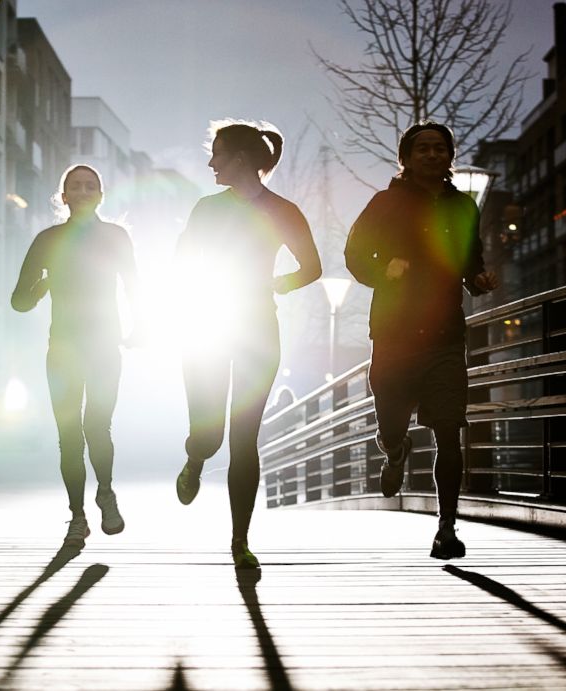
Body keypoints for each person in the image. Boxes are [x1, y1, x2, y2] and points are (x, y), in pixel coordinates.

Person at [345, 121, 498, 560]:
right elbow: (355, 256)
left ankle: (446, 528)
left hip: (446, 335)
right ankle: (394, 449)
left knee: (449, 431)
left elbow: (470, 261)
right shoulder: (385, 203)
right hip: (394, 332)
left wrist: (479, 280)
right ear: (406, 158)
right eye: (423, 149)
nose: (432, 155)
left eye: (440, 148)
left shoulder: (464, 209)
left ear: (449, 156)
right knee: (392, 421)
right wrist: (382, 270)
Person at [174, 120, 322, 570]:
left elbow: (312, 267)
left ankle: (240, 541)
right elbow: (182, 262)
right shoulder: (206, 209)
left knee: (244, 439)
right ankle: (196, 457)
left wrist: (281, 282)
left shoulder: (284, 211)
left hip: (258, 330)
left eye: (217, 153)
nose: (210, 162)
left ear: (240, 159)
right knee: (210, 435)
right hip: (209, 326)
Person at [11, 164, 139, 549]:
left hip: (104, 346)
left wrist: (142, 327)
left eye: (90, 186)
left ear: (101, 195)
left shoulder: (116, 237)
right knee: (69, 436)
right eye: (75, 187)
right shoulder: (48, 240)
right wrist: (44, 284)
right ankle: (78, 517)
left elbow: (135, 287)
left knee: (98, 427)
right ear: (63, 197)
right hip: (62, 349)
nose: (83, 192)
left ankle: (106, 492)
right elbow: (18, 301)